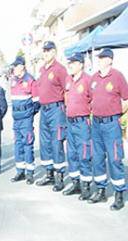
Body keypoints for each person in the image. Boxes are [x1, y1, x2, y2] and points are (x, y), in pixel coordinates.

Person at [89, 48, 127, 211]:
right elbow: (90, 98)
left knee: (114, 158)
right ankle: (101, 190)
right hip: (96, 124)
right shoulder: (94, 78)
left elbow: (126, 99)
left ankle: (119, 194)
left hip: (111, 124)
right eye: (99, 58)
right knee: (97, 158)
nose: (99, 60)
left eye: (102, 58)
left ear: (110, 60)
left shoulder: (117, 76)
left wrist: (118, 114)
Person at [35, 41, 68, 192]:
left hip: (56, 109)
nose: (46, 53)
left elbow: (66, 90)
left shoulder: (60, 69)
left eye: (48, 51)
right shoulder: (42, 69)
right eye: (44, 51)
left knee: (56, 142)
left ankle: (59, 176)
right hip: (44, 109)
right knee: (45, 142)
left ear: (54, 52)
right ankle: (49, 173)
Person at [62, 52, 93, 199]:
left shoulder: (88, 80)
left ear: (81, 64)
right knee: (72, 154)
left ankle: (86, 186)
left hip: (82, 122)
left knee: (84, 154)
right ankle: (76, 184)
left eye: (73, 62)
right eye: (70, 62)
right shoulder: (68, 79)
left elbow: (94, 101)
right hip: (70, 121)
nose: (70, 65)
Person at [9, 56, 40, 184]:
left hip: (26, 118)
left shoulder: (30, 80)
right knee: (18, 145)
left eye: (16, 66)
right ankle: (20, 171)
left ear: (22, 66)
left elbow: (37, 102)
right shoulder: (13, 81)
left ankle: (30, 173)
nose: (14, 69)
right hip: (16, 118)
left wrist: (29, 114)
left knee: (27, 144)